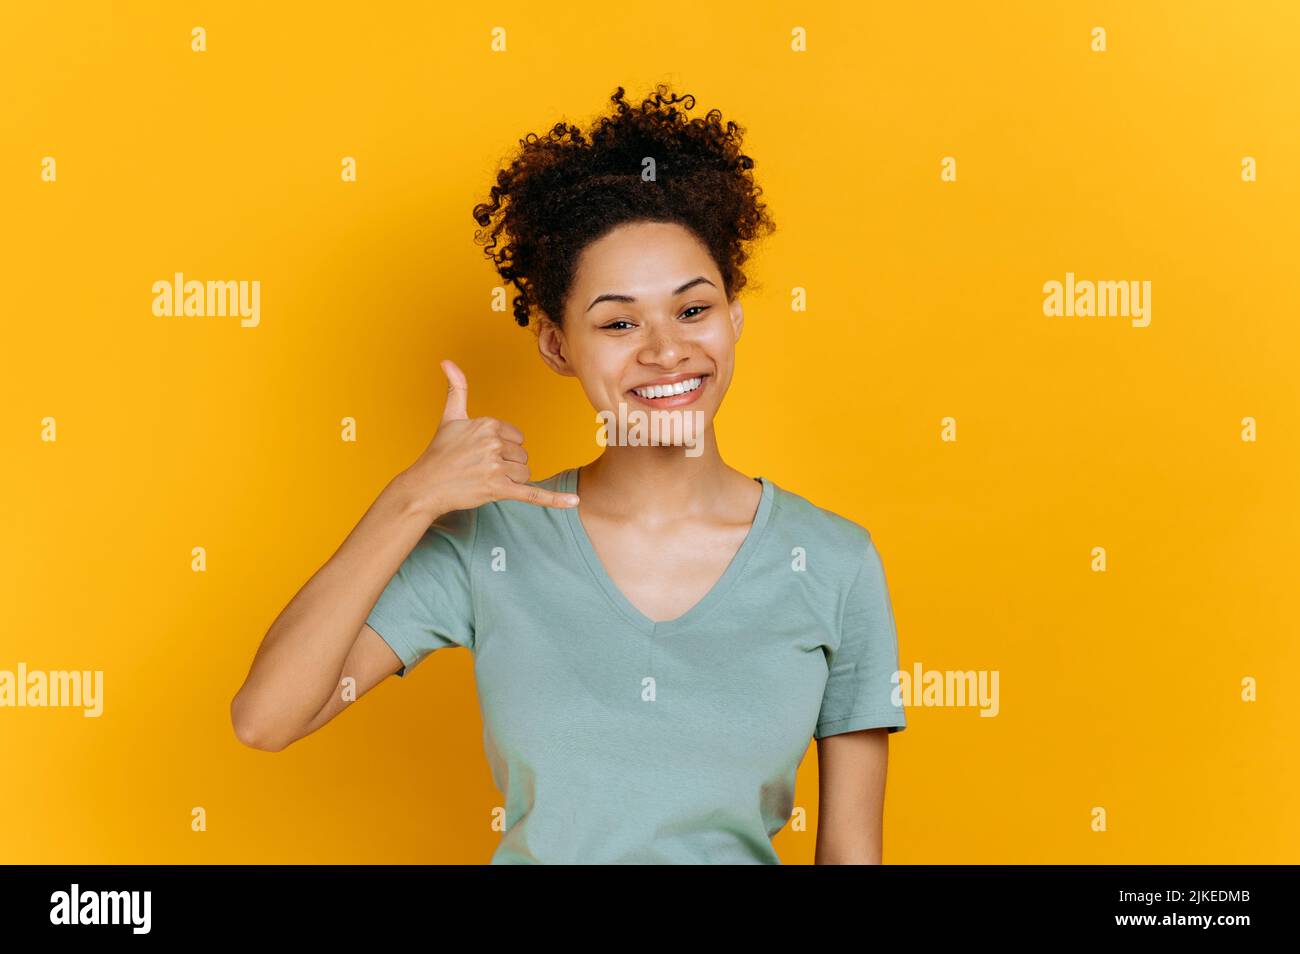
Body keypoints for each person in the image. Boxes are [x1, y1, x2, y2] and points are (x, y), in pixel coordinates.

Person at [231, 84, 907, 864]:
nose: (664, 349)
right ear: (556, 346)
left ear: (734, 316)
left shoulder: (833, 562)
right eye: (619, 322)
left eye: (693, 310)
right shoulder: (494, 536)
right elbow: (267, 719)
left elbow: (852, 853)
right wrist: (413, 495)